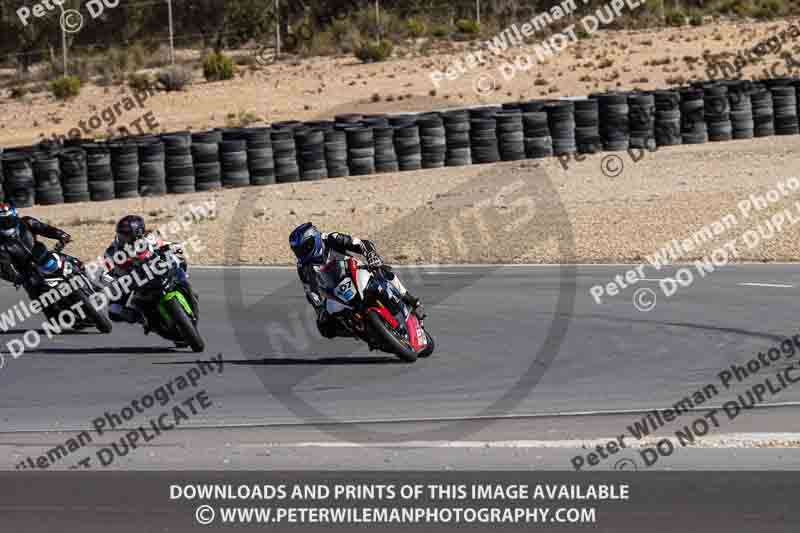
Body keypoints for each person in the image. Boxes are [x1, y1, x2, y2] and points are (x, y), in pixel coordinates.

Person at [289, 222, 422, 339]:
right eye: (297, 251)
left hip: (356, 271)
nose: (301, 253)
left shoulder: (331, 238)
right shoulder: (303, 267)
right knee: (324, 328)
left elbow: (361, 243)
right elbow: (310, 290)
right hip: (336, 290)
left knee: (384, 271)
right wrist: (319, 309)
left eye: (304, 248)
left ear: (314, 239)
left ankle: (407, 297)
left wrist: (371, 256)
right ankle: (359, 331)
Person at [102, 215, 192, 333]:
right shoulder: (112, 250)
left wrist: (174, 246)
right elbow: (107, 270)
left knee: (179, 261)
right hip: (131, 280)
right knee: (114, 311)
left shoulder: (148, 240)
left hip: (155, 271)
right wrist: (109, 277)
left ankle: (184, 284)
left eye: (126, 234)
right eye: (121, 233)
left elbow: (163, 244)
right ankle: (142, 318)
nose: (122, 237)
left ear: (138, 233)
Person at [0, 202, 71, 290]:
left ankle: (85, 274)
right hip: (28, 272)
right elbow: (3, 266)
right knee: (35, 292)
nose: (8, 222)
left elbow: (45, 229)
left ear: (15, 214)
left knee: (68, 262)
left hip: (43, 255)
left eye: (9, 218)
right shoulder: (1, 243)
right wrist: (15, 278)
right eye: (3, 220)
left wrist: (61, 235)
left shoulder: (26, 222)